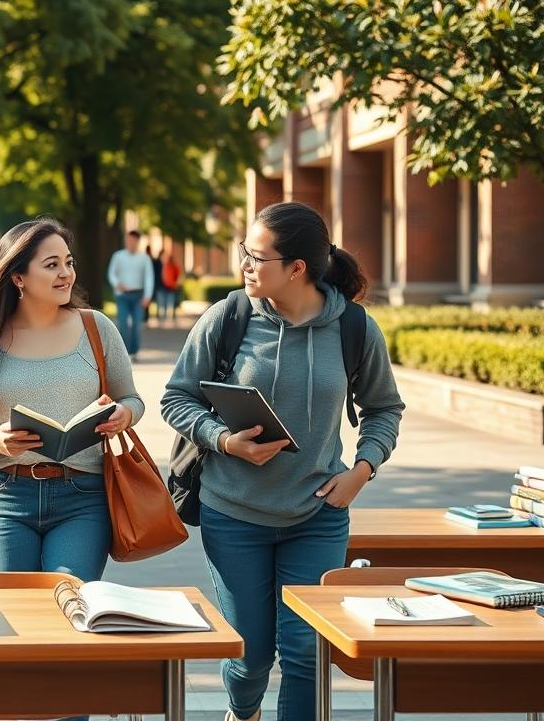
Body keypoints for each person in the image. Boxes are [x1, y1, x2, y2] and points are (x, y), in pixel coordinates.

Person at [160, 202, 405, 721]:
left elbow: (384, 408)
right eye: (243, 252)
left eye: (256, 256)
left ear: (296, 268)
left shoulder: (355, 329)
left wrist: (361, 472)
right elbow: (176, 398)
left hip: (317, 516)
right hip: (234, 513)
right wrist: (225, 440)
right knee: (250, 657)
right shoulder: (228, 318)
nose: (244, 264)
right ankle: (242, 712)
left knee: (304, 655)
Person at [0, 218, 143, 584]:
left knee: (70, 607)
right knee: (17, 619)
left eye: (68, 262)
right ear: (18, 277)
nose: (66, 274)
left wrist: (124, 414)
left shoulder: (97, 328)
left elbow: (131, 398)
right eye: (51, 265)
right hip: (5, 498)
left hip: (83, 498)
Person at [106, 229, 153, 361]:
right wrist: (117, 284)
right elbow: (111, 273)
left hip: (138, 295)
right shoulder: (118, 256)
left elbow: (149, 277)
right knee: (123, 323)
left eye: (134, 240)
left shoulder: (144, 258)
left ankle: (134, 351)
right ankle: (123, 351)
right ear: (126, 240)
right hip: (122, 295)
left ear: (138, 241)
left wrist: (148, 295)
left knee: (137, 325)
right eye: (129, 240)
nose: (131, 243)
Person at [158, 251, 182, 326]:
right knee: (166, 303)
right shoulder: (166, 265)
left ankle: (166, 318)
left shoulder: (170, 266)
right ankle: (165, 318)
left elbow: (177, 276)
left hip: (170, 288)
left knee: (168, 303)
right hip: (167, 287)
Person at [148, 244, 164, 324]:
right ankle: (157, 314)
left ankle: (148, 315)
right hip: (157, 284)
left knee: (154, 300)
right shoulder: (156, 262)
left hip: (155, 284)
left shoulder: (152, 261)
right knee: (156, 300)